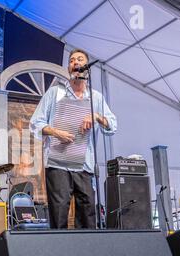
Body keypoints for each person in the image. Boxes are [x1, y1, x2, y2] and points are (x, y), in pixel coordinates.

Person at [30, 48, 117, 229]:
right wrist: (56, 132)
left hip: (84, 164)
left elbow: (112, 127)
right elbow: (35, 124)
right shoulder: (55, 93)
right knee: (59, 212)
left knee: (87, 214)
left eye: (79, 59)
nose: (75, 62)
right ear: (69, 68)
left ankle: (86, 254)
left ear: (87, 67)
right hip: (58, 163)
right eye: (71, 60)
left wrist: (97, 117)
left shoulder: (96, 98)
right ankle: (60, 254)